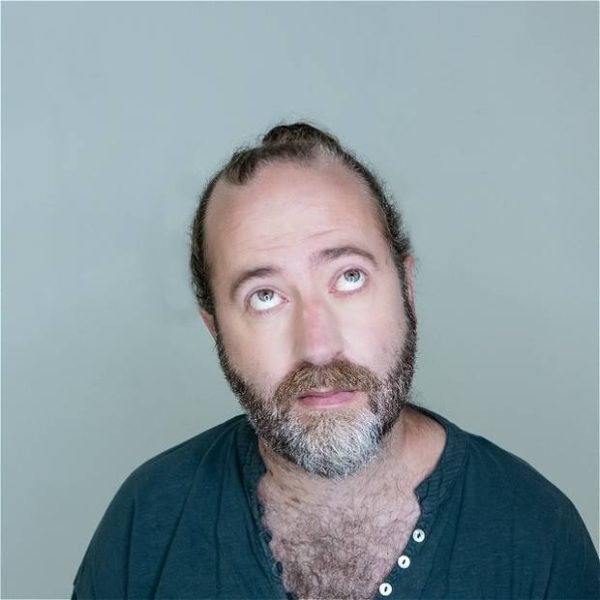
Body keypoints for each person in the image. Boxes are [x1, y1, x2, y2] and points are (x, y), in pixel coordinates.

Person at [72, 123, 599, 599]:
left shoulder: (540, 536)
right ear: (216, 329)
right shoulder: (145, 522)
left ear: (407, 290)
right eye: (264, 296)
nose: (318, 347)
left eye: (349, 277)